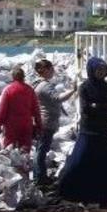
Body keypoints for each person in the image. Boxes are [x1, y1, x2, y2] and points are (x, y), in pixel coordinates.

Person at [58, 57, 107, 208]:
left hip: (105, 130)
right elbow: (86, 108)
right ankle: (81, 196)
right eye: (98, 70)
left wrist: (97, 106)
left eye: (103, 70)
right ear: (91, 71)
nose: (101, 73)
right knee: (82, 162)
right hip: (89, 131)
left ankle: (105, 198)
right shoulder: (85, 87)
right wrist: (101, 106)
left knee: (105, 165)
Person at [32, 59, 77, 187]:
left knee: (40, 150)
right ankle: (40, 178)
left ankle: (39, 176)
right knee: (41, 151)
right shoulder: (46, 86)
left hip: (42, 121)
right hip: (47, 122)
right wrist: (73, 90)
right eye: (51, 69)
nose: (53, 71)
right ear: (44, 70)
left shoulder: (38, 84)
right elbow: (58, 99)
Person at [0, 65, 42, 152]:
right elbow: (36, 109)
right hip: (26, 123)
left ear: (13, 77)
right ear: (23, 77)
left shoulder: (8, 90)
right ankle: (24, 164)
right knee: (25, 149)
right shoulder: (30, 90)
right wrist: (39, 125)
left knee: (9, 149)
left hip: (11, 124)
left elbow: (2, 110)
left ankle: (11, 164)